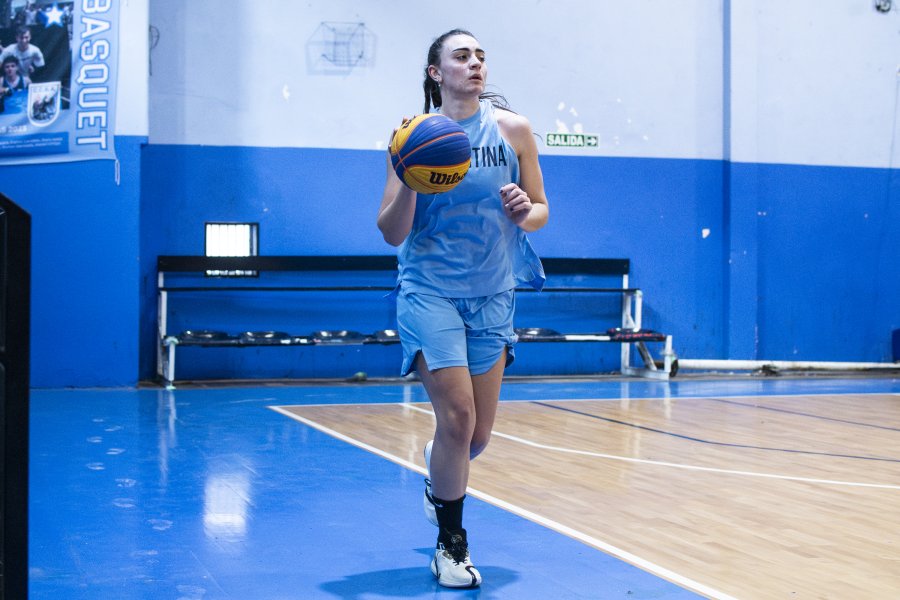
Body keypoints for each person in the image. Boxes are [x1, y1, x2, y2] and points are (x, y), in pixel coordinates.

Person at [377, 29, 549, 588]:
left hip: (494, 294)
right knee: (457, 418)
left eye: (480, 56)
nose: (475, 63)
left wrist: (524, 210)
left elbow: (541, 210)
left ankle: (439, 469)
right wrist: (409, 180)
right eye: (461, 56)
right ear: (436, 73)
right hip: (429, 291)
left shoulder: (513, 131)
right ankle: (451, 547)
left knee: (475, 437)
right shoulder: (411, 138)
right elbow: (391, 231)